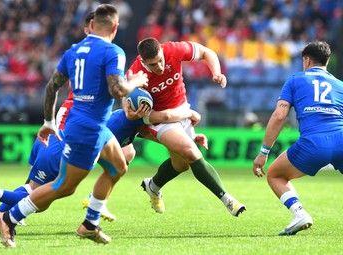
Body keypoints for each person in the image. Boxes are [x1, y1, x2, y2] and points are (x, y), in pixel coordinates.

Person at [0, 4, 148, 247]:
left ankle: (89, 224)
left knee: (118, 167)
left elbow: (51, 87)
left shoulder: (73, 51)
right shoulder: (114, 51)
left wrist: (47, 122)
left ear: (92, 25)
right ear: (115, 27)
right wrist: (135, 81)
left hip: (93, 125)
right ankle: (8, 218)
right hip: (87, 129)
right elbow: (117, 89)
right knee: (63, 186)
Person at [127, 37, 246, 216]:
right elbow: (130, 106)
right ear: (143, 62)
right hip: (158, 119)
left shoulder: (174, 50)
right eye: (152, 65)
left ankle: (153, 185)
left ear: (161, 50)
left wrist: (216, 73)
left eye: (160, 60)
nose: (159, 67)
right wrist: (131, 109)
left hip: (181, 108)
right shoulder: (135, 75)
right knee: (191, 152)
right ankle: (227, 198)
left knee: (181, 164)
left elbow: (207, 52)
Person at [252, 41, 343, 236]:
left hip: (313, 143)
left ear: (307, 60)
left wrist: (264, 152)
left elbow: (279, 116)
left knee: (275, 174)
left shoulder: (295, 80)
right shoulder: (340, 85)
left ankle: (299, 213)